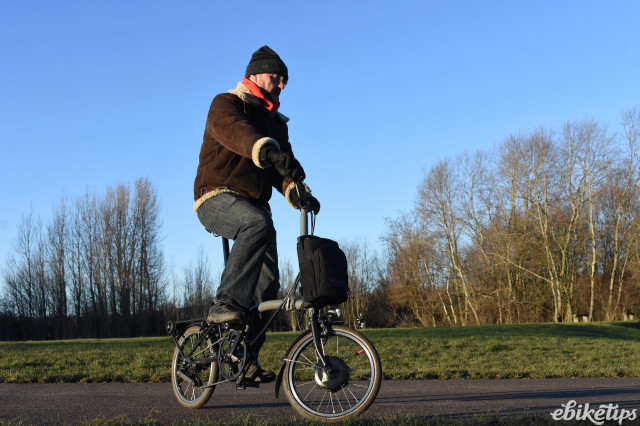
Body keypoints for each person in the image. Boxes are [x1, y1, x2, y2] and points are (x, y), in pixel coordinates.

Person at [193, 46, 320, 385]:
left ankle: (242, 357)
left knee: (268, 287)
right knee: (257, 223)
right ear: (255, 75)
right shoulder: (228, 104)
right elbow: (239, 134)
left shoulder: (276, 124)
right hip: (215, 196)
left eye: (284, 81)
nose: (280, 85)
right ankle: (225, 304)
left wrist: (296, 189)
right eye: (275, 77)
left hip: (254, 206)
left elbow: (282, 169)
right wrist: (269, 150)